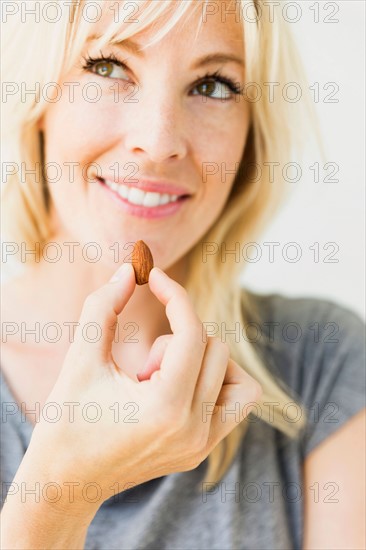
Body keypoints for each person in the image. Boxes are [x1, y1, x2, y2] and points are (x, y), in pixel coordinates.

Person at [1, 1, 365, 549]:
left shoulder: (321, 362)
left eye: (214, 85)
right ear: (38, 99)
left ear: (250, 140)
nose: (160, 139)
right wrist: (58, 499)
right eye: (107, 66)